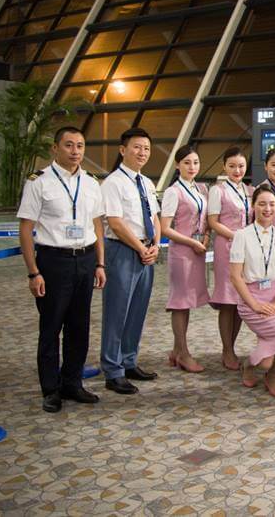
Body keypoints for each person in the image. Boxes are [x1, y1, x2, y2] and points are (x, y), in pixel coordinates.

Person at [17, 126, 106, 412]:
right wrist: (33, 272)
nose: (75, 151)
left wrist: (100, 263)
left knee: (79, 327)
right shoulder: (38, 182)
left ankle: (72, 383)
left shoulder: (91, 183)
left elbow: (97, 226)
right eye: (69, 145)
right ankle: (50, 389)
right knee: (51, 326)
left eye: (80, 145)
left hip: (85, 259)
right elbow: (26, 228)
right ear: (55, 148)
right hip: (53, 262)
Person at [100, 127, 161, 395]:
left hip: (146, 251)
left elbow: (155, 217)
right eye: (137, 147)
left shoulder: (146, 182)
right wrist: (140, 247)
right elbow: (115, 221)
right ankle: (112, 371)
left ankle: (128, 361)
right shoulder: (113, 182)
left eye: (146, 148)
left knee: (137, 310)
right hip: (122, 251)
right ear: (123, 150)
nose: (142, 153)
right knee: (117, 312)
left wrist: (156, 245)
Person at [229, 186, 275, 398]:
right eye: (262, 204)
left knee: (268, 358)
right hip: (252, 301)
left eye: (272, 204)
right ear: (253, 206)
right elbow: (235, 276)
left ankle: (257, 368)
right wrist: (253, 304)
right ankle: (272, 374)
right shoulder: (241, 235)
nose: (267, 208)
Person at [159, 145, 210, 373]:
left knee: (188, 303)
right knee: (180, 303)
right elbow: (165, 229)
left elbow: (205, 220)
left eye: (196, 162)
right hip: (182, 252)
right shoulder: (173, 192)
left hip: (197, 250)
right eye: (187, 162)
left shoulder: (199, 189)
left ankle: (176, 350)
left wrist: (206, 238)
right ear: (177, 165)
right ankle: (183, 353)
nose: (192, 167)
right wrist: (192, 242)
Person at [207, 146, 253, 371]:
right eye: (232, 166)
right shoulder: (218, 190)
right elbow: (213, 221)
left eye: (241, 166)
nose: (237, 170)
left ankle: (232, 347)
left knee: (240, 300)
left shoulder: (248, 190)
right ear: (224, 166)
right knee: (227, 301)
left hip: (245, 251)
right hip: (227, 247)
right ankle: (227, 350)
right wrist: (238, 236)